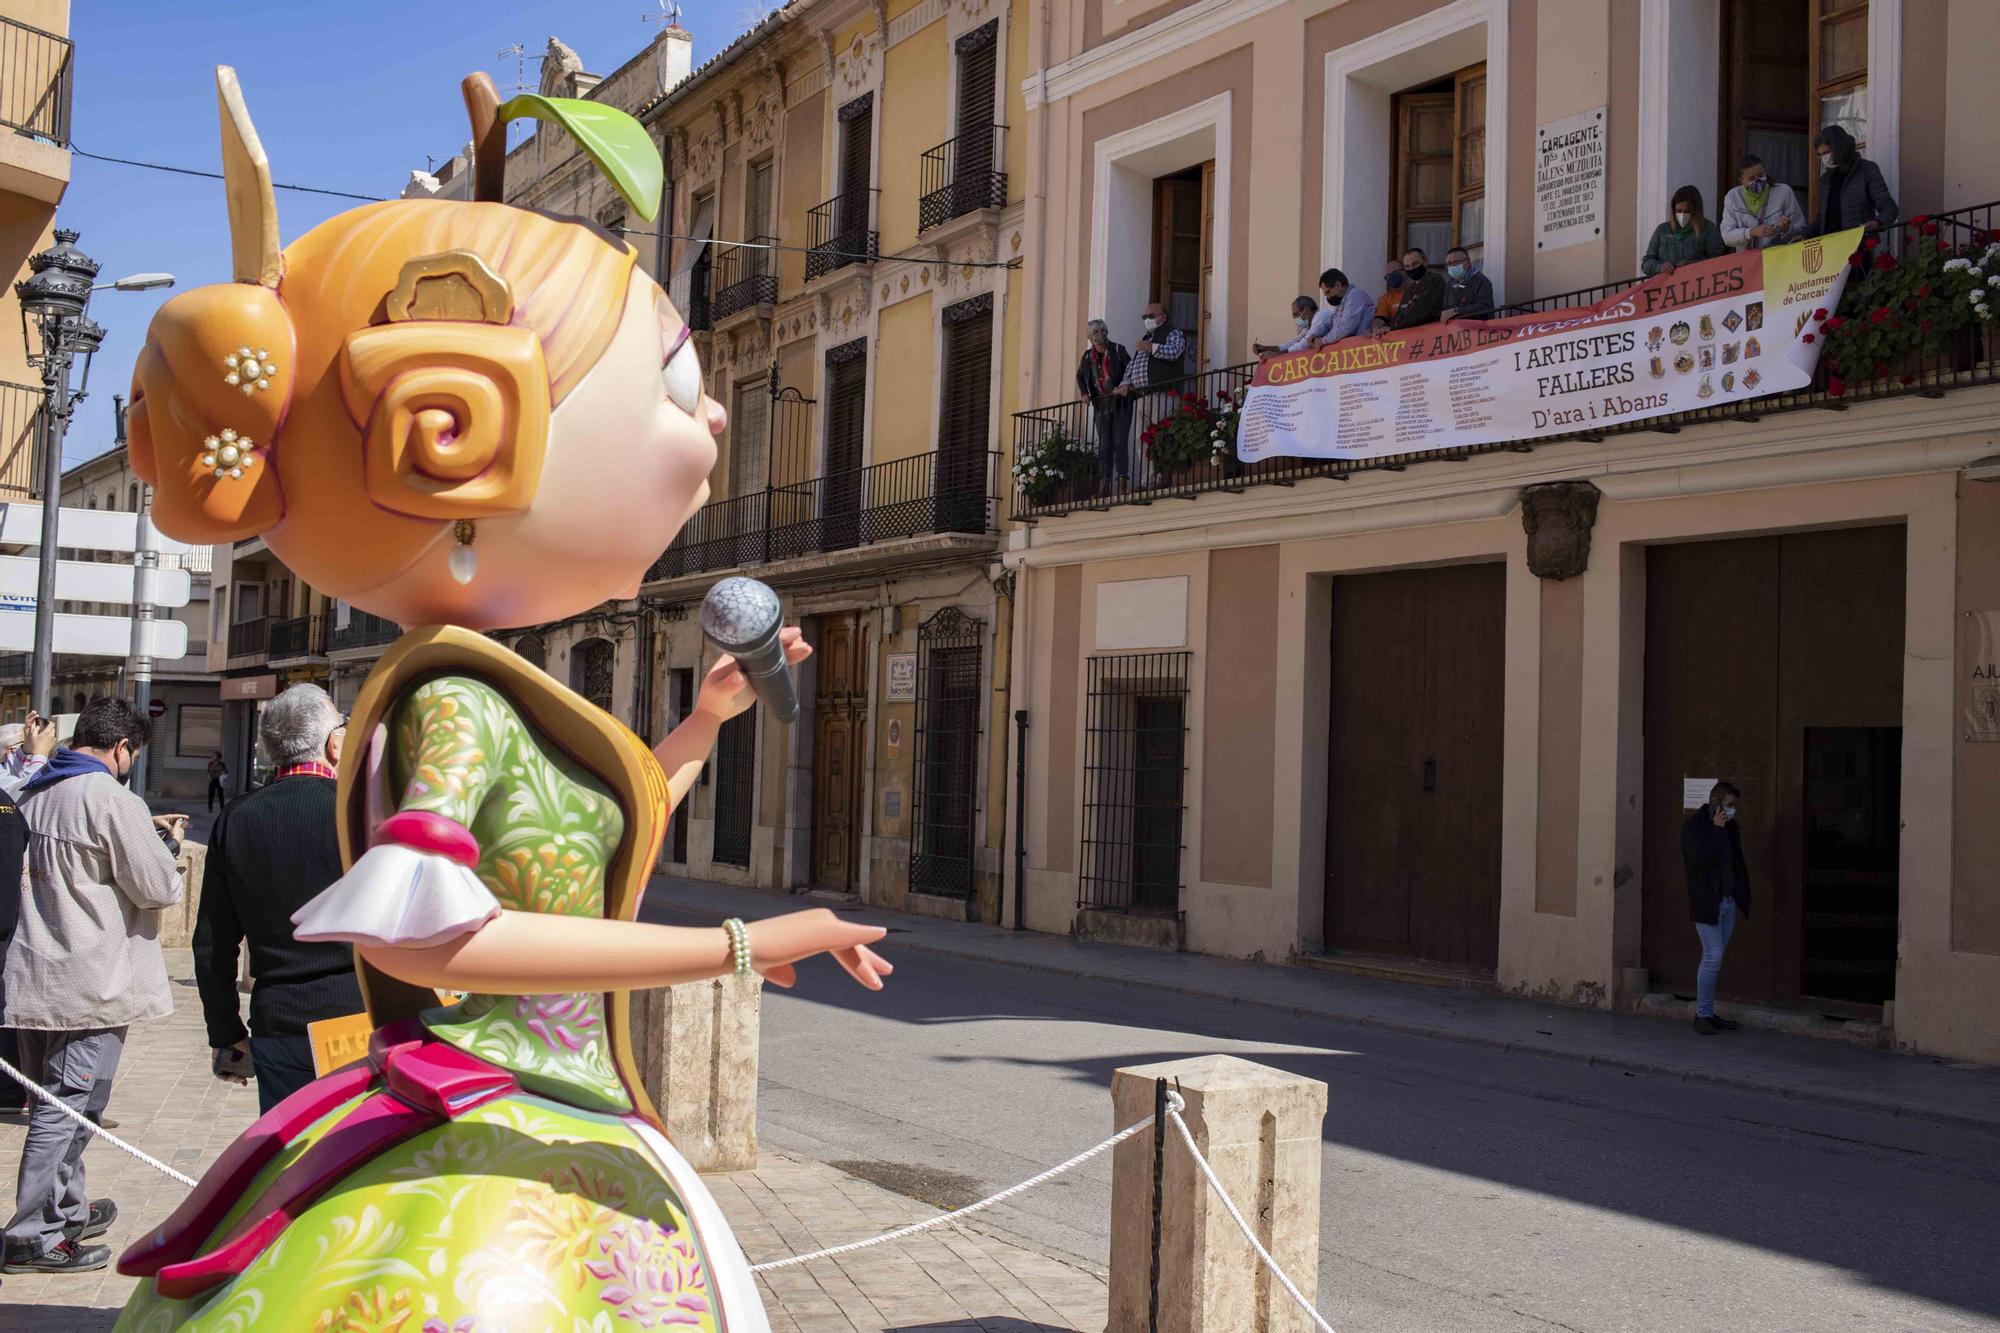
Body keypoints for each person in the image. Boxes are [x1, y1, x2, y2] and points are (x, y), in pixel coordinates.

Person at [114, 68, 890, 1328]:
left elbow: (567, 843)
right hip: (498, 1123)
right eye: (668, 383)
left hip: (538, 1108)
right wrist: (747, 943)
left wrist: (700, 725)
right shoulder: (457, 701)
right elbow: (429, 941)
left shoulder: (477, 690)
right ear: (462, 433)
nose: (708, 423)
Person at [2, 697, 184, 1274]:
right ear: (122, 748)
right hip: (91, 982)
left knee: (54, 1105)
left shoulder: (32, 790)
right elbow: (157, 888)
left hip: (31, 977)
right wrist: (170, 849)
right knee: (69, 1108)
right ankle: (32, 1232)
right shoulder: (112, 798)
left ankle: (68, 1209)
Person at [193, 685, 362, 1114]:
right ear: (333, 743)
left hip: (278, 1023)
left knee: (290, 1161)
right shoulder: (358, 813)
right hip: (356, 1019)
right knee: (354, 1158)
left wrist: (226, 1033)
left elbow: (213, 942)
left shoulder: (236, 819)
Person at [1682, 781, 1751, 1035]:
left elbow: (1736, 861)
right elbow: (1699, 862)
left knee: (1713, 959)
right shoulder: (1694, 828)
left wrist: (1742, 893)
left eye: (1734, 806)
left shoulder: (1732, 827)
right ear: (1715, 803)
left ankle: (1707, 1012)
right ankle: (1701, 1015)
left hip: (1728, 902)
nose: (1733, 811)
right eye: (1729, 805)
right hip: (1706, 902)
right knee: (1713, 956)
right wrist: (1717, 831)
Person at [1114, 301, 1189, 485]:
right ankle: (1148, 480)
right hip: (1141, 397)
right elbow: (1133, 365)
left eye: (1151, 316)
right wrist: (1125, 383)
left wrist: (1151, 348)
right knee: (1143, 441)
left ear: (1163, 317)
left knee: (1162, 437)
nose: (1147, 319)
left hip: (1162, 395)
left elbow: (1174, 352)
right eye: (1145, 317)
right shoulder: (1146, 338)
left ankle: (1162, 477)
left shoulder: (1174, 333)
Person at [1075, 318, 1132, 494]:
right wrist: (1084, 393)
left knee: (1120, 442)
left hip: (1121, 404)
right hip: (1101, 405)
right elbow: (1079, 376)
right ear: (1090, 337)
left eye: (1102, 331)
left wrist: (1123, 386)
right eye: (1096, 333)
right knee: (1104, 445)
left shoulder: (1118, 350)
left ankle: (1122, 481)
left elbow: (1131, 370)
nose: (1100, 335)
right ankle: (1104, 483)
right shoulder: (1087, 356)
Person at [1809, 124, 1897, 237]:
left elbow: (1889, 207)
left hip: (1857, 245)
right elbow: (1822, 218)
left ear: (1839, 148)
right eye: (1820, 155)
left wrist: (1878, 222)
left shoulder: (1867, 170)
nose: (1824, 158)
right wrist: (1805, 234)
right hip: (1829, 247)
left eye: (1826, 153)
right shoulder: (1826, 179)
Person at [1720, 154, 1805, 251]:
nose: (1758, 181)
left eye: (1761, 175)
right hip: (1748, 261)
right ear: (1741, 180)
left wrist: (1787, 229)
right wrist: (1752, 232)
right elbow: (1727, 236)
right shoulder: (1733, 197)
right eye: (1752, 178)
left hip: (1777, 257)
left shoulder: (1784, 192)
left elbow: (1801, 228)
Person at [1642, 185, 1729, 277]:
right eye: (1678, 211)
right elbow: (1647, 262)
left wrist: (1694, 265)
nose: (1682, 215)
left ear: (1696, 211)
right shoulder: (1662, 230)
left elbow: (1718, 261)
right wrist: (1659, 267)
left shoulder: (1708, 229)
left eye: (1687, 211)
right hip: (1667, 288)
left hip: (1696, 285)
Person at [1382, 248, 1448, 332]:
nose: (1412, 268)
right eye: (1407, 266)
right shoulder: (1410, 289)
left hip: (1432, 334)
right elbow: (1400, 316)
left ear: (1425, 262)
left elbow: (1420, 312)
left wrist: (1393, 327)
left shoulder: (1434, 280)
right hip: (1413, 336)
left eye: (1415, 264)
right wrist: (1382, 328)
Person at [1254, 294, 1323, 360]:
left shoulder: (1321, 317)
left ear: (1307, 310)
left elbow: (1304, 344)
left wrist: (1277, 355)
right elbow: (1292, 343)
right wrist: (1266, 348)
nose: (1295, 318)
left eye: (1296, 314)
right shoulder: (1307, 329)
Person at [1441, 246, 1495, 322]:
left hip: (1477, 330)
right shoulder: (1449, 284)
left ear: (1468, 262)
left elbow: (1484, 307)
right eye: (1449, 263)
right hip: (1455, 330)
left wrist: (1457, 311)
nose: (1452, 266)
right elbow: (1445, 308)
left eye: (1456, 262)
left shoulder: (1481, 281)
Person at [1375, 259, 1404, 323]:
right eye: (1389, 275)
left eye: (1395, 272)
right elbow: (1380, 318)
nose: (1392, 276)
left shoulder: (1417, 291)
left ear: (1404, 272)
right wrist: (1376, 326)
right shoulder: (1385, 299)